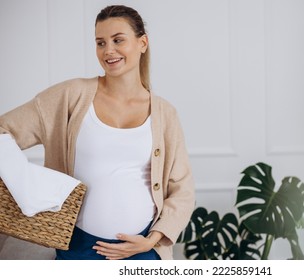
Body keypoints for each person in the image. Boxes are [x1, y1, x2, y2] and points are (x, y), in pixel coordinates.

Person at [0, 5, 195, 260]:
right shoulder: (70, 96)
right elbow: (5, 129)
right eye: (100, 42)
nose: (108, 51)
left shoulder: (165, 114)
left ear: (142, 43)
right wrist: (27, 185)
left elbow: (182, 188)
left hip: (142, 250)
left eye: (118, 40)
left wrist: (152, 241)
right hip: (78, 246)